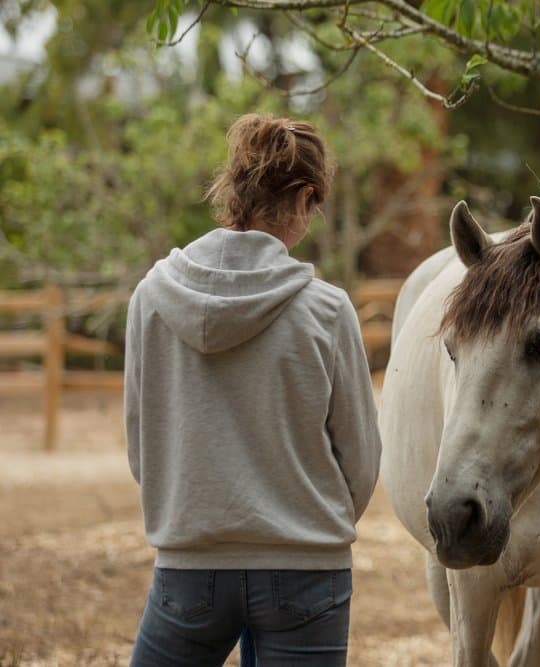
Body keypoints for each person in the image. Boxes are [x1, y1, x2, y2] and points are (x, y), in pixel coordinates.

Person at [125, 113, 382, 666]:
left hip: (190, 564)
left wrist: (197, 511)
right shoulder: (328, 310)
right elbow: (361, 460)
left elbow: (143, 445)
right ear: (306, 196)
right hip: (307, 569)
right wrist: (305, 519)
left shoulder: (151, 299)